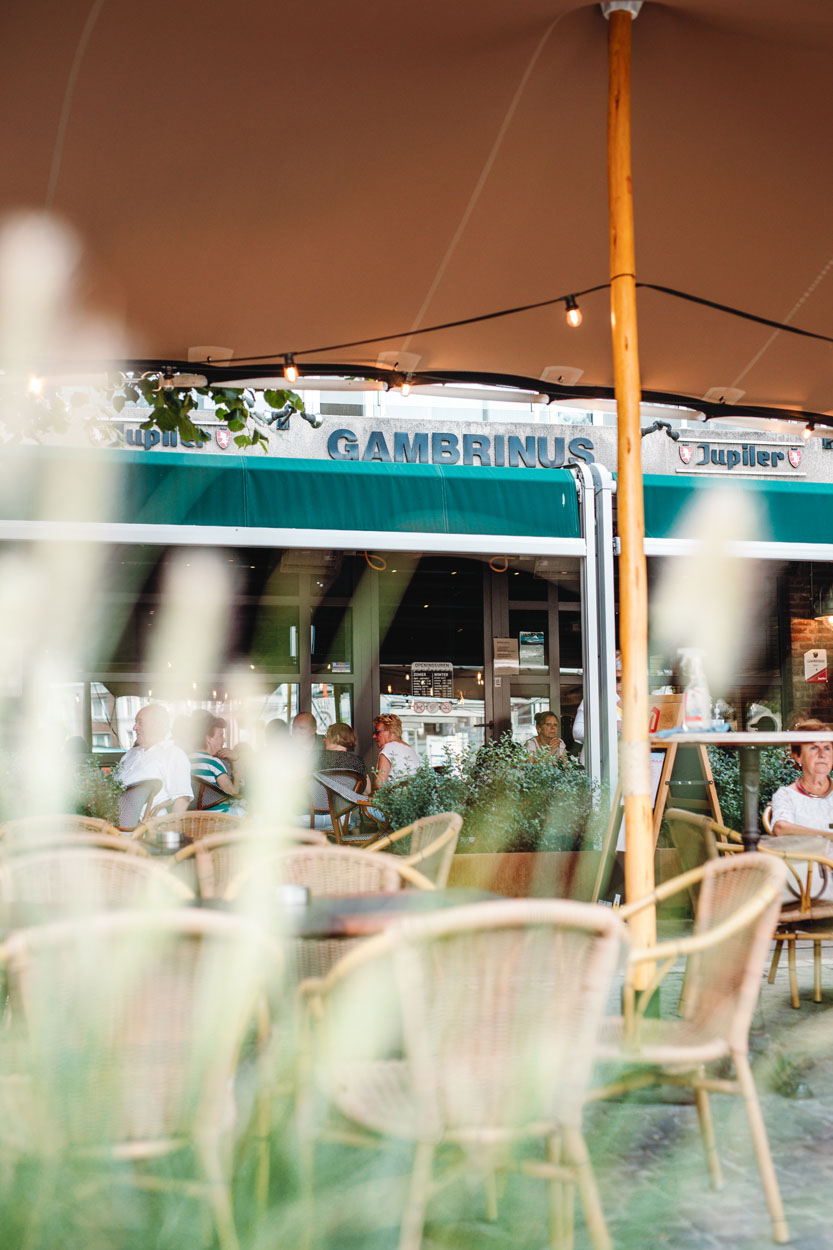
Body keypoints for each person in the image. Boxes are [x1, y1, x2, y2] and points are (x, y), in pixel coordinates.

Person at [764, 718, 833, 902]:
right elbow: (781, 828)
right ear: (797, 756)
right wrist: (826, 835)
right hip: (806, 881)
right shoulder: (786, 795)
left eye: (827, 748)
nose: (822, 754)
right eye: (813, 748)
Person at [117, 704, 192, 816]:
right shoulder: (130, 753)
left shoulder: (173, 754)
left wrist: (172, 831)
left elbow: (182, 800)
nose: (134, 727)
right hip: (112, 822)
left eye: (140, 722)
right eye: (135, 722)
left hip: (145, 827)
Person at [190, 711, 241, 812]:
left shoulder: (186, 760)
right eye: (221, 735)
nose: (224, 739)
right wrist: (237, 775)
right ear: (209, 739)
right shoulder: (214, 763)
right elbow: (234, 793)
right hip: (219, 817)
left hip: (193, 817)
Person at [372, 713, 419, 789]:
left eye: (377, 732)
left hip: (395, 798)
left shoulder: (389, 748)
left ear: (390, 732)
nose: (373, 736)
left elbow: (380, 783)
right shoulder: (409, 749)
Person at [319, 722, 369, 791]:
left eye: (327, 736)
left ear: (337, 737)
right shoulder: (358, 761)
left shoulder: (316, 757)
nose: (324, 740)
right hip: (348, 801)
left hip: (320, 801)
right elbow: (367, 791)